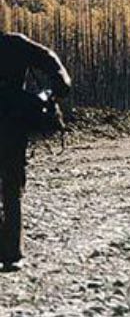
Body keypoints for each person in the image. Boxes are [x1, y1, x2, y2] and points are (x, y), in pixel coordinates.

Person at [0, 32, 71, 272]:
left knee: (11, 186)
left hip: (10, 124)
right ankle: (11, 253)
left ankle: (10, 252)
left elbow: (49, 60)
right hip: (11, 124)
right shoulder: (14, 44)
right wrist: (57, 87)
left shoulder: (14, 44)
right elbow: (49, 59)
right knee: (12, 187)